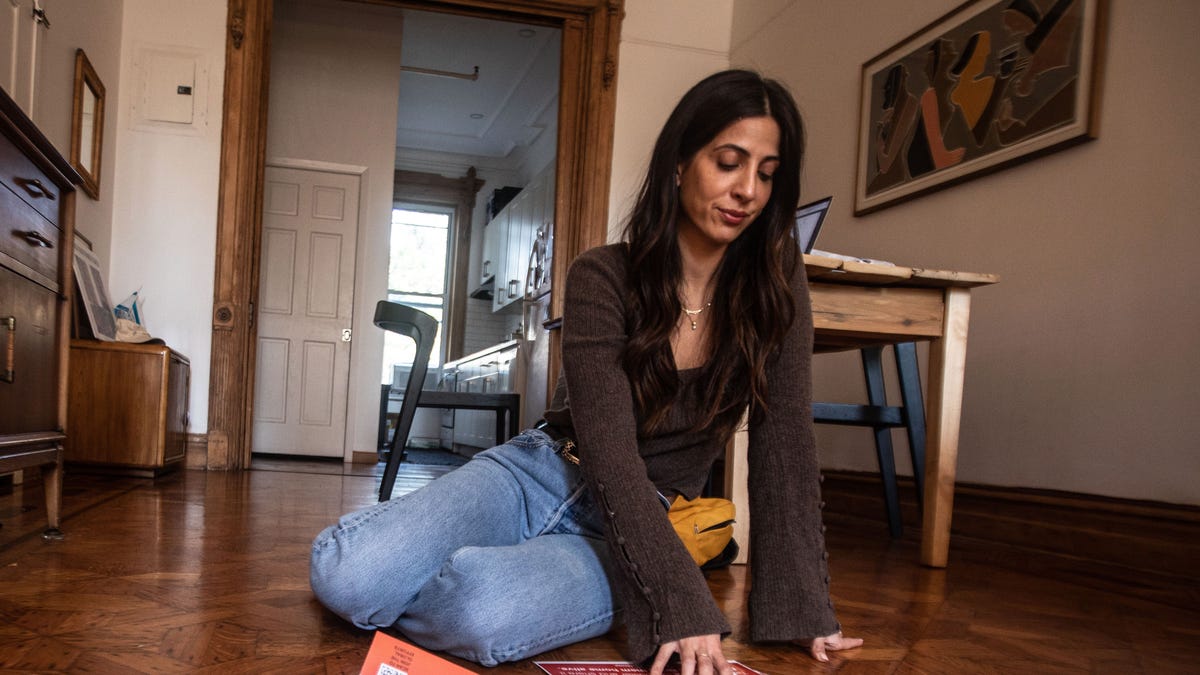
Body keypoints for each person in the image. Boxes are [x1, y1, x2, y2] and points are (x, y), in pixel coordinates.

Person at [310, 69, 862, 674]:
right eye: (728, 162)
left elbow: (785, 445)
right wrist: (675, 599)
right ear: (680, 163)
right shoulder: (604, 275)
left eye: (766, 172)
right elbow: (609, 452)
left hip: (631, 520)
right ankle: (443, 555)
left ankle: (558, 575)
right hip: (537, 471)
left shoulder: (776, 284)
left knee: (477, 611)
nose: (747, 191)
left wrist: (803, 608)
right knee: (350, 577)